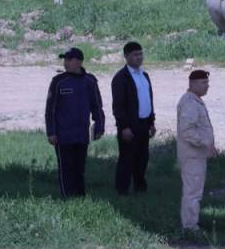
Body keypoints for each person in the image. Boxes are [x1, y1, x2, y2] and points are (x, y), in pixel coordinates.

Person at [44, 47, 104, 198]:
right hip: (63, 135)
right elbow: (50, 110)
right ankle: (67, 199)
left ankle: (80, 199)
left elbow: (97, 106)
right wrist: (51, 132)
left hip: (82, 135)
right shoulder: (58, 82)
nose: (65, 63)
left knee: (79, 169)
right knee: (66, 168)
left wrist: (99, 127)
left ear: (78, 62)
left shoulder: (90, 81)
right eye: (64, 60)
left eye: (68, 60)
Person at [111, 41, 155, 195]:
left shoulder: (144, 75)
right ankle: (122, 191)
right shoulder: (121, 78)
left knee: (142, 158)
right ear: (126, 56)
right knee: (127, 159)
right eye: (135, 55)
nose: (139, 57)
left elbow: (148, 100)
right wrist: (124, 127)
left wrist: (152, 122)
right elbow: (118, 106)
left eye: (141, 54)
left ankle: (140, 189)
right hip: (129, 126)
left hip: (144, 124)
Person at [176, 70, 216, 232]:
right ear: (192, 83)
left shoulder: (195, 100)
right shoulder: (190, 103)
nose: (207, 86)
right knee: (192, 192)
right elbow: (186, 131)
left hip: (197, 154)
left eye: (207, 82)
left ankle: (191, 223)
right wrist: (205, 142)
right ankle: (190, 226)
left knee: (194, 191)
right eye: (203, 83)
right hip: (192, 155)